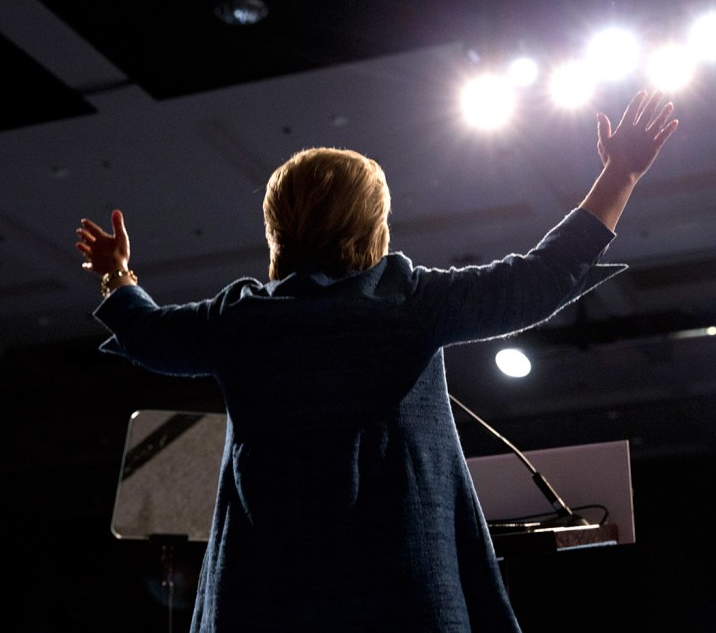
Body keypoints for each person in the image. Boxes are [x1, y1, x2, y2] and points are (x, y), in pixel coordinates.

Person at [76, 89, 678, 632]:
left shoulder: (241, 320)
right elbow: (538, 280)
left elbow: (149, 333)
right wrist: (619, 175)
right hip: (401, 596)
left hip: (263, 599)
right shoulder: (405, 302)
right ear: (373, 226)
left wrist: (116, 274)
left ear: (277, 229)